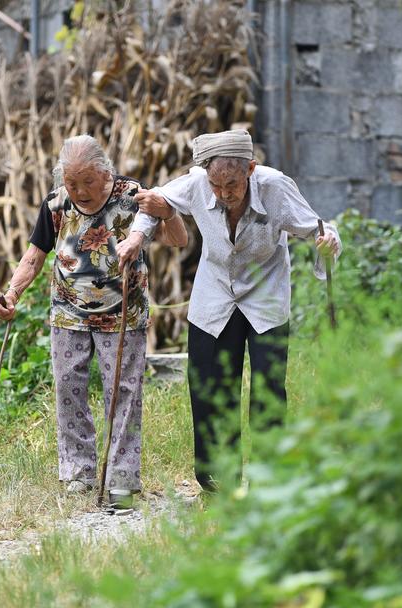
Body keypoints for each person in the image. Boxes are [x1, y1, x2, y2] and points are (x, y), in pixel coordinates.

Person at [116, 129, 341, 492]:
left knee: (268, 388)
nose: (223, 194)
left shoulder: (276, 187)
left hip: (266, 292)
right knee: (208, 385)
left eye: (232, 185)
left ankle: (270, 479)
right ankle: (217, 480)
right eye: (216, 186)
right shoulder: (196, 184)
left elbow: (318, 227)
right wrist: (136, 237)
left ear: (251, 169)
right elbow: (155, 203)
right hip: (215, 293)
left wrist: (328, 241)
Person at [0, 134, 187, 508]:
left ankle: (122, 480)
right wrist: (12, 293)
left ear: (106, 173)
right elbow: (34, 257)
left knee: (124, 394)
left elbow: (177, 239)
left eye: (87, 182)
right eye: (71, 183)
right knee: (68, 388)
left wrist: (167, 210)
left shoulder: (133, 198)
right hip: (69, 312)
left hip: (122, 313)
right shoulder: (57, 204)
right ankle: (79, 476)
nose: (79, 192)